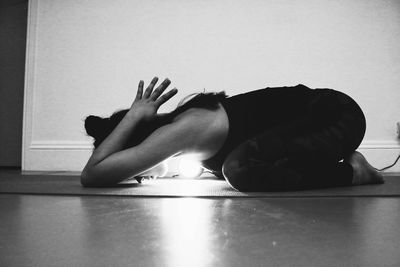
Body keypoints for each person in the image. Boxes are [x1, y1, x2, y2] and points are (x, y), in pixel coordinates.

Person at [81, 77, 384, 191]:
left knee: (236, 169)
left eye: (135, 172)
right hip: (328, 122)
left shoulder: (181, 130)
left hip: (338, 116)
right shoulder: (187, 141)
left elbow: (92, 175)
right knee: (235, 168)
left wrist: (134, 115)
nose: (141, 175)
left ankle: (354, 173)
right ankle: (348, 166)